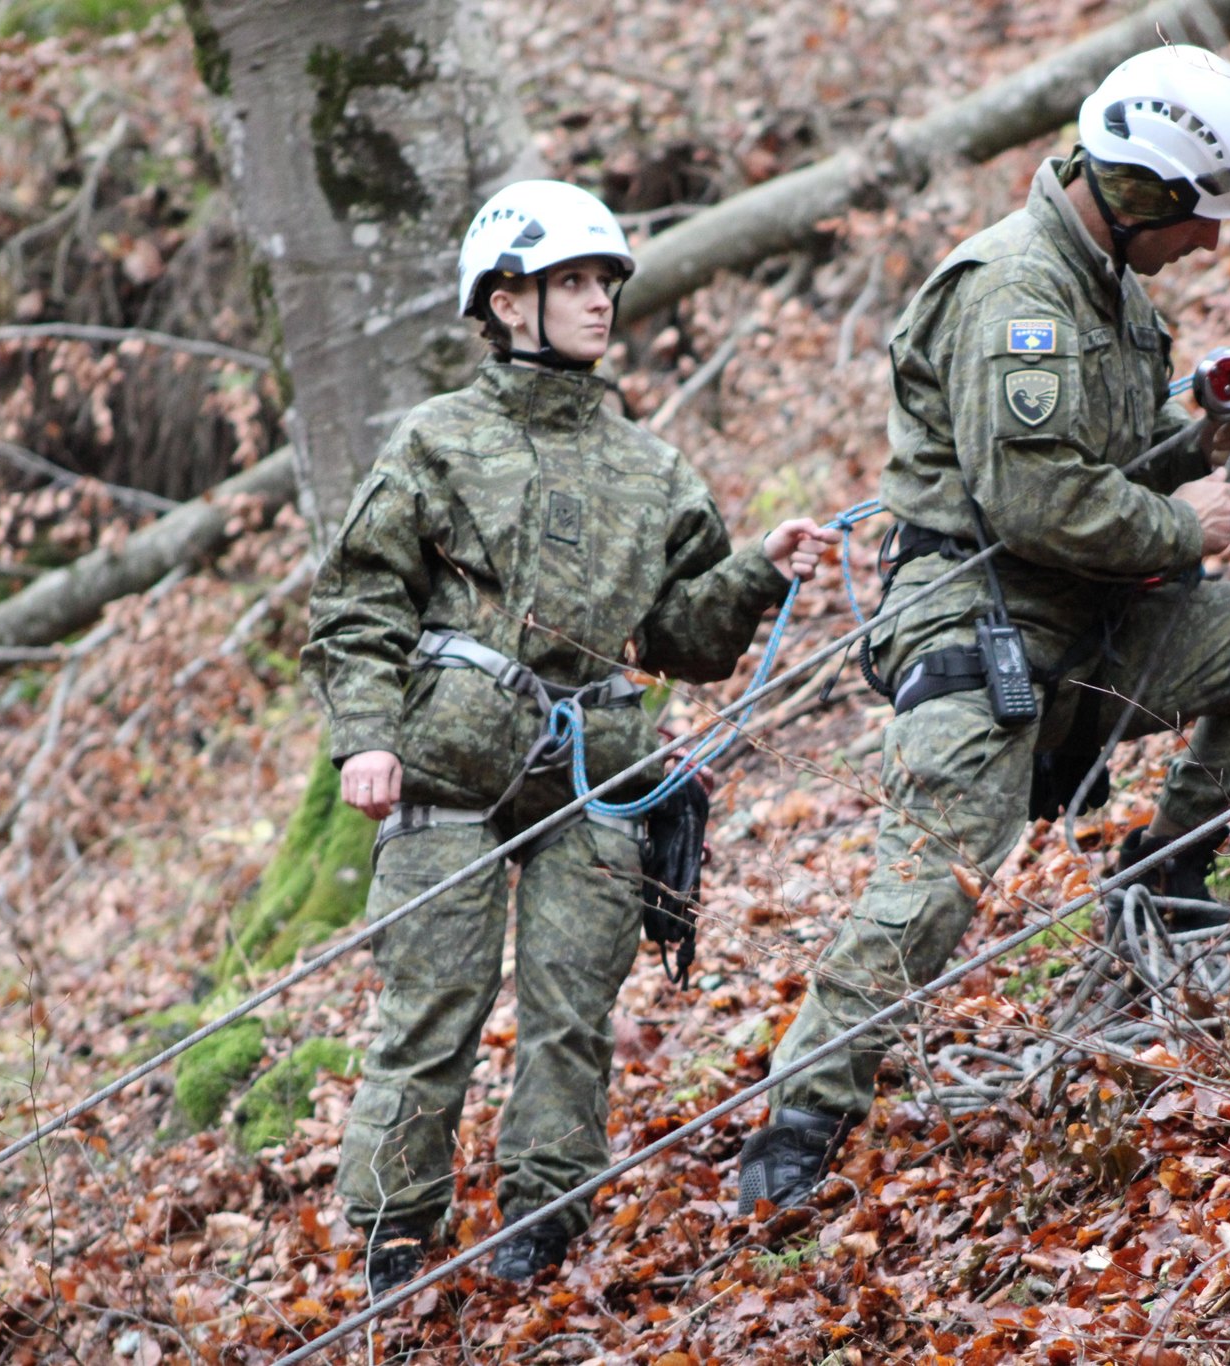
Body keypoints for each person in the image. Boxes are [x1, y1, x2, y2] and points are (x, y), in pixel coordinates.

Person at [734, 46, 1230, 1215]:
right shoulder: (1013, 295)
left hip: (1100, 614)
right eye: (1197, 216)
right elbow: (1034, 502)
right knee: (935, 879)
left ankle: (1165, 875)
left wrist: (1202, 433)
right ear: (1141, 195)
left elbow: (1105, 463)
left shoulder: (1113, 290)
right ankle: (800, 1116)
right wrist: (1177, 521)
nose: (1207, 244)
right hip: (978, 623)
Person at [302, 179, 838, 1295]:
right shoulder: (436, 441)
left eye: (605, 282)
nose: (600, 301)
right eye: (573, 282)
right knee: (430, 1011)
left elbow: (684, 639)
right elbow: (358, 606)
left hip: (596, 777)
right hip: (444, 772)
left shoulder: (651, 469)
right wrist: (365, 738)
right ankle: (394, 1240)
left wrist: (758, 570)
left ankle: (542, 1226)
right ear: (506, 305)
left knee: (571, 1013)